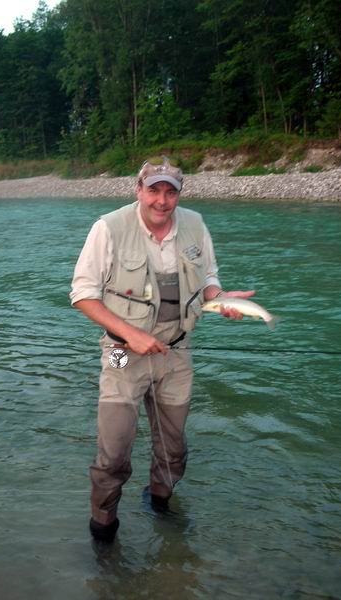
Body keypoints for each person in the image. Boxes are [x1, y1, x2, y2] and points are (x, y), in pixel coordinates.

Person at [70, 156, 254, 542]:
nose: (162, 200)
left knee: (173, 449)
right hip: (121, 353)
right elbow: (83, 294)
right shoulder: (108, 228)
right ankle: (103, 529)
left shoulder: (195, 224)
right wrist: (131, 335)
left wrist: (219, 298)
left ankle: (159, 503)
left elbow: (208, 276)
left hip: (177, 351)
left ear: (179, 194)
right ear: (138, 190)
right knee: (113, 453)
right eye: (154, 190)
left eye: (171, 192)